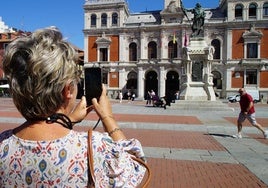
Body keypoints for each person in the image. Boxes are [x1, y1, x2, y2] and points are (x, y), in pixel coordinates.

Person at [0, 27, 147, 187]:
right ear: (67, 90)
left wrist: (66, 120)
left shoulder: (3, 144)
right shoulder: (95, 146)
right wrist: (107, 117)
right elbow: (136, 166)